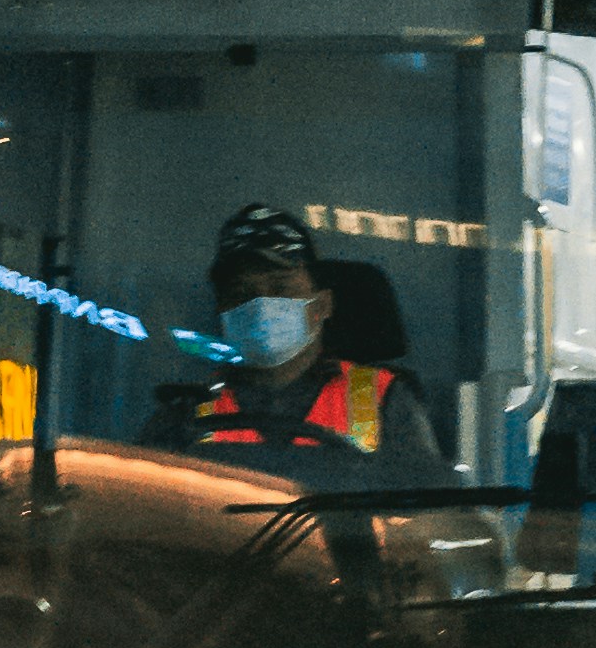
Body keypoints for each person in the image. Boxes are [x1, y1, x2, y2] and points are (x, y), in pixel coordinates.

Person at [169, 205, 446, 483]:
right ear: (222, 312)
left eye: (282, 289)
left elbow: (432, 516)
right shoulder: (188, 411)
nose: (260, 305)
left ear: (322, 305)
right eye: (242, 293)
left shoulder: (384, 400)